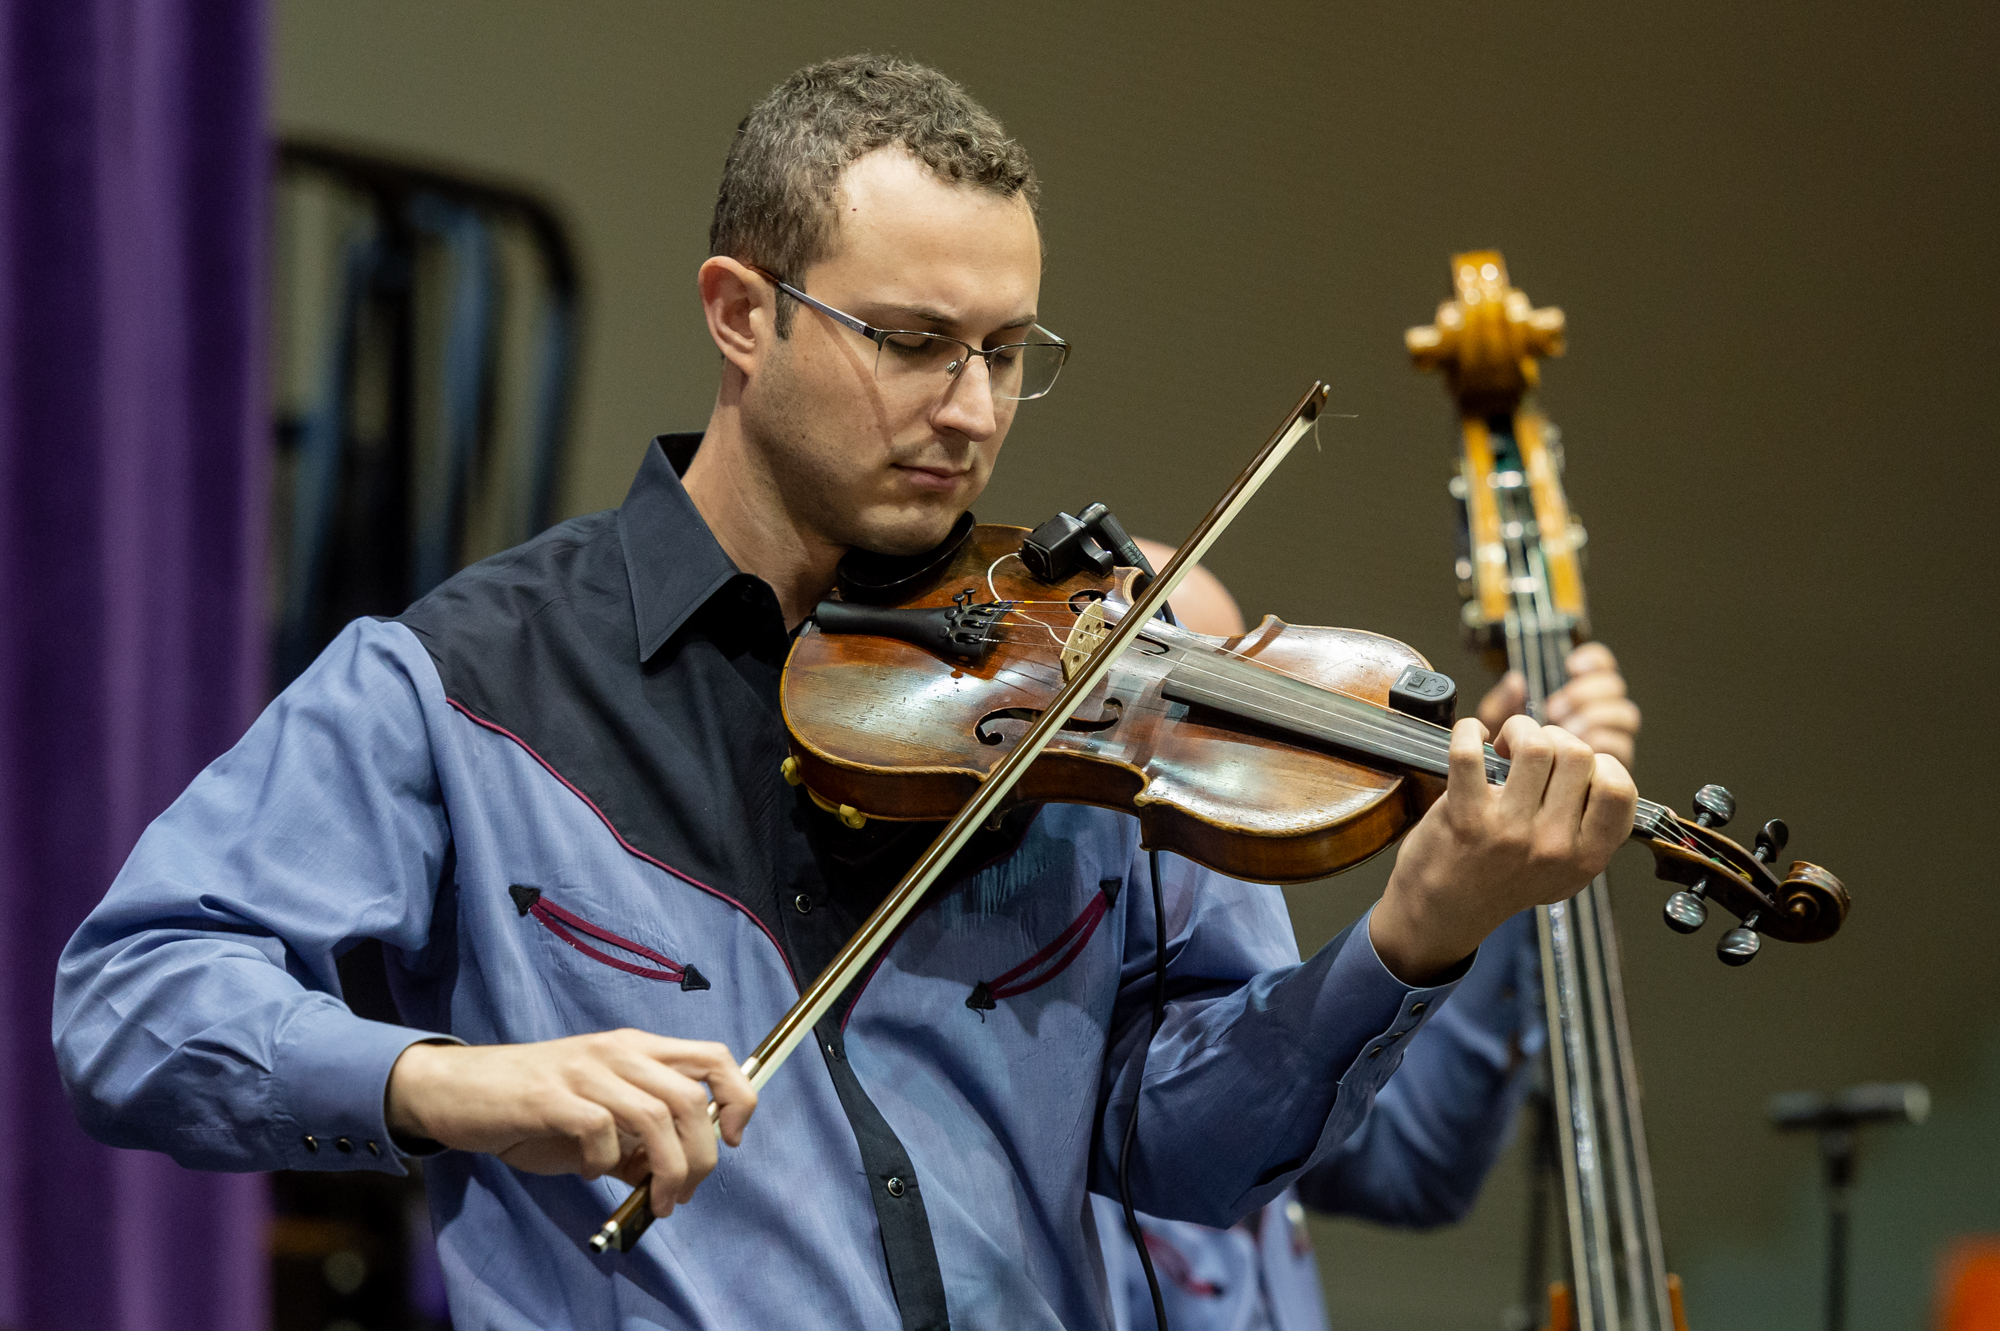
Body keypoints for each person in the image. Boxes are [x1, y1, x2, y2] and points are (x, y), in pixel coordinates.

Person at [53, 56, 1637, 1331]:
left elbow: (1188, 1150)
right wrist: (451, 1082)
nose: (970, 411)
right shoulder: (468, 681)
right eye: (912, 341)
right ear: (741, 315)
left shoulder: (1087, 684)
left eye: (1011, 353)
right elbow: (131, 998)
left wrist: (1417, 926)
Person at [1095, 540, 1638, 1331]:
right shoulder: (1034, 1020)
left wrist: (1501, 859)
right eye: (1172, 723)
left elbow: (1410, 1166)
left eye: (1229, 723)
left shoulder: (1236, 1022)